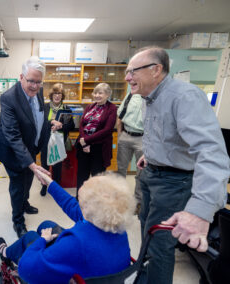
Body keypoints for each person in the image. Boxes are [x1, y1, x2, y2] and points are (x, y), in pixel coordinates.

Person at [125, 46, 230, 284]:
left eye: (133, 71)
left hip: (174, 183)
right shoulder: (147, 97)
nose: (127, 77)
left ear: (156, 70)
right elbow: (166, 135)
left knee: (160, 246)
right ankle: (144, 277)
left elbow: (212, 153)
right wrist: (151, 156)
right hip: (151, 174)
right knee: (148, 234)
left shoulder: (185, 96)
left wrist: (199, 210)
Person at [0, 171, 136, 284]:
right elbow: (71, 205)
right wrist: (50, 183)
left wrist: (42, 240)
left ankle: (5, 253)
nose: (78, 205)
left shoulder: (75, 243)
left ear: (87, 208)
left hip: (75, 271)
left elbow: (26, 269)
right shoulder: (116, 227)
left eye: (81, 203)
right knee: (46, 225)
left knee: (31, 237)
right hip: (96, 269)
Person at [0, 56, 50, 238]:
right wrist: (32, 164)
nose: (35, 86)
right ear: (21, 77)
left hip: (30, 146)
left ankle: (24, 203)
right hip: (13, 150)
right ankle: (17, 220)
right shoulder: (8, 98)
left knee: (28, 180)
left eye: (38, 82)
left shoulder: (38, 92)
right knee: (18, 185)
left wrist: (51, 124)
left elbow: (38, 117)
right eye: (31, 81)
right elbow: (12, 136)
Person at [76, 83, 117, 195]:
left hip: (99, 148)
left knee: (97, 178)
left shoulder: (112, 108)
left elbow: (107, 129)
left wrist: (87, 141)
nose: (97, 95)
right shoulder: (90, 106)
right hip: (84, 147)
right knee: (82, 176)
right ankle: (79, 198)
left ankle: (96, 203)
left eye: (100, 93)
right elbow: (81, 124)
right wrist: (84, 142)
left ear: (107, 94)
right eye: (95, 93)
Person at [40, 83, 75, 196]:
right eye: (55, 93)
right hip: (45, 141)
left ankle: (56, 189)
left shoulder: (66, 109)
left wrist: (60, 126)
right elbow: (40, 123)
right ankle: (44, 186)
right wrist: (52, 122)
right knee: (45, 166)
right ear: (51, 95)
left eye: (59, 93)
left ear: (62, 95)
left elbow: (72, 125)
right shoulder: (45, 107)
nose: (57, 96)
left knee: (57, 167)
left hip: (59, 142)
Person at [116, 92, 144, 210]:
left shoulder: (153, 97)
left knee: (141, 172)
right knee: (121, 169)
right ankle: (119, 199)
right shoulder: (130, 95)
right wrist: (119, 135)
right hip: (126, 135)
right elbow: (120, 115)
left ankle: (138, 202)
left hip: (143, 138)